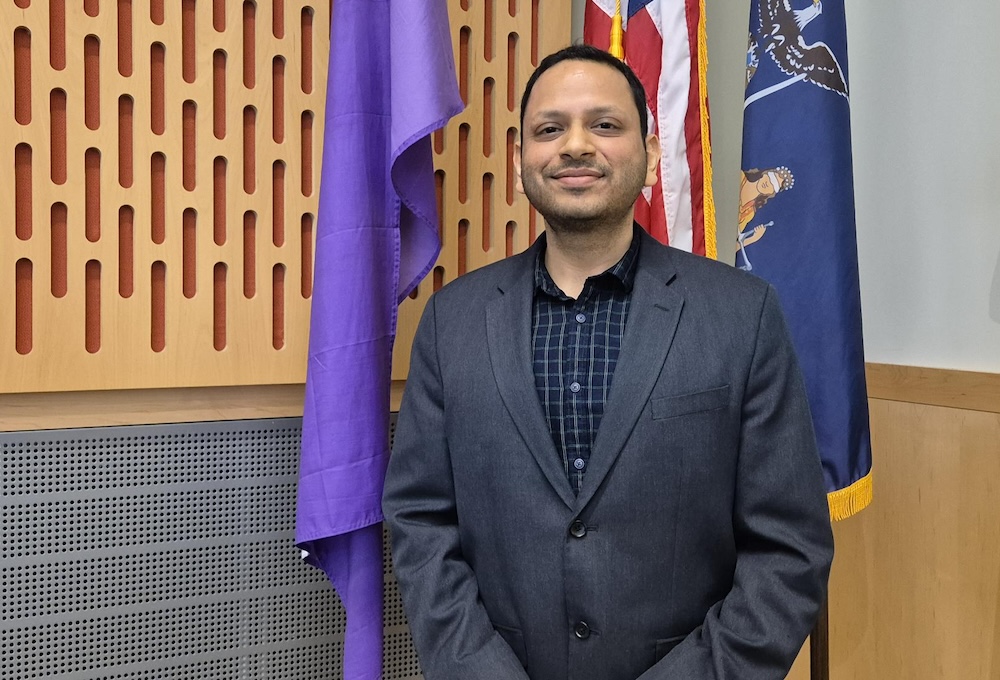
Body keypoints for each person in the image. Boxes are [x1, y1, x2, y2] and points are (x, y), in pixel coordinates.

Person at [382, 44, 833, 680]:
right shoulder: (452, 322)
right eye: (549, 129)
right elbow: (422, 522)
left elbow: (788, 548)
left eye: (605, 124)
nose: (574, 145)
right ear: (520, 164)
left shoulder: (743, 315)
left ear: (650, 157)